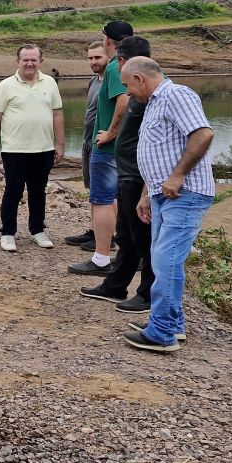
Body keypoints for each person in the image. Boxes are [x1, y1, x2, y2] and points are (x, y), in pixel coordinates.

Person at [120, 56, 215, 353]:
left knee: (166, 260)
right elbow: (157, 152)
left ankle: (162, 333)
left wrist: (177, 176)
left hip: (184, 193)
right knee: (164, 259)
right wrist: (146, 194)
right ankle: (173, 324)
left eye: (127, 86)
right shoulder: (154, 103)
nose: (127, 93)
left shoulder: (177, 95)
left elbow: (203, 134)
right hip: (164, 195)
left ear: (140, 79)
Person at [79, 36, 155, 312]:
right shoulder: (140, 90)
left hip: (139, 175)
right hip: (128, 172)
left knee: (142, 236)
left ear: (124, 61)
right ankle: (115, 285)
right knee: (126, 232)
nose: (126, 91)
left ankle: (147, 294)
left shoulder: (152, 93)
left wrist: (110, 133)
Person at [0, 44, 65, 252]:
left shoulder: (50, 83)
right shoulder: (6, 85)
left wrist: (60, 143)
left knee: (38, 191)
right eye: (25, 60)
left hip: (43, 149)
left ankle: (37, 230)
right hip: (14, 150)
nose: (29, 63)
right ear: (17, 61)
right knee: (13, 192)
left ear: (40, 61)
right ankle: (8, 233)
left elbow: (57, 114)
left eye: (34, 60)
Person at [69, 20, 132, 275]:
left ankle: (101, 258)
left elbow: (124, 100)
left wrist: (111, 133)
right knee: (111, 199)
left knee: (103, 199)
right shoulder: (124, 67)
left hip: (107, 149)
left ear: (108, 41)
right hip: (108, 146)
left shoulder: (117, 67)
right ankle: (116, 252)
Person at [64, 41, 109, 250]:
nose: (93, 62)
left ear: (108, 55)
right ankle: (94, 231)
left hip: (103, 144)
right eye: (90, 58)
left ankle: (109, 238)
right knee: (93, 191)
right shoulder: (93, 81)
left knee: (106, 195)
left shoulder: (112, 80)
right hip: (87, 142)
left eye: (98, 57)